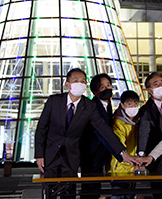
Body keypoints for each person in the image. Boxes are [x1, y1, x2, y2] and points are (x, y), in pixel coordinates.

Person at [34, 68, 140, 199]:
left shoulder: (89, 106)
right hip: (50, 154)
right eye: (76, 80)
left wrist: (122, 153)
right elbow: (41, 128)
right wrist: (39, 155)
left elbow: (103, 129)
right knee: (49, 191)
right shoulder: (54, 101)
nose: (80, 83)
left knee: (69, 192)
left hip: (71, 156)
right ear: (67, 85)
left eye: (83, 81)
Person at [80, 73, 121, 199]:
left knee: (96, 185)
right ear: (95, 91)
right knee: (90, 187)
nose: (107, 88)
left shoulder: (107, 105)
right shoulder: (93, 107)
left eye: (108, 85)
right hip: (91, 153)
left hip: (101, 153)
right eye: (103, 87)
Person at [109, 90, 140, 199]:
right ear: (122, 105)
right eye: (129, 103)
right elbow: (119, 146)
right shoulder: (118, 123)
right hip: (120, 168)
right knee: (119, 195)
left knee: (130, 195)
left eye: (136, 103)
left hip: (133, 166)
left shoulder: (138, 121)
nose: (133, 106)